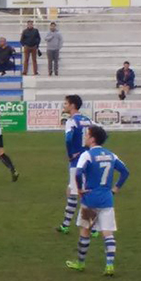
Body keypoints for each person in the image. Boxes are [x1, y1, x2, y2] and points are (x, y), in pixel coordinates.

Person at [65, 125, 130, 277]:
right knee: (108, 233)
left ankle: (80, 263)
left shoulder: (87, 155)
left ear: (93, 139)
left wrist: (80, 189)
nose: (85, 137)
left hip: (90, 199)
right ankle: (109, 266)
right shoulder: (111, 155)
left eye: (87, 135)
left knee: (85, 230)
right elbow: (125, 172)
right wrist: (116, 188)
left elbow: (79, 172)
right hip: (107, 199)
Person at [57, 95, 93, 235]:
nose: (64, 105)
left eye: (65, 103)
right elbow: (102, 134)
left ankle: (69, 226)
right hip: (88, 160)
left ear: (72, 105)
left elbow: (68, 138)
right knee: (75, 191)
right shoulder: (87, 120)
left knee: (75, 194)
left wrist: (70, 153)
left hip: (76, 162)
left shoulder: (71, 121)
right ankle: (71, 224)